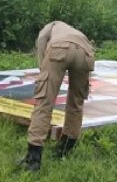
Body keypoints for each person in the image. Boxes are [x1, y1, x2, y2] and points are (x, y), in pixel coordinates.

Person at [18, 21, 95, 172]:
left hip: (59, 49)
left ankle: (33, 159)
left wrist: (43, 71)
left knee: (44, 102)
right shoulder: (75, 31)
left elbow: (41, 40)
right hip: (86, 53)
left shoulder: (51, 26)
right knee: (76, 103)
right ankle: (65, 149)